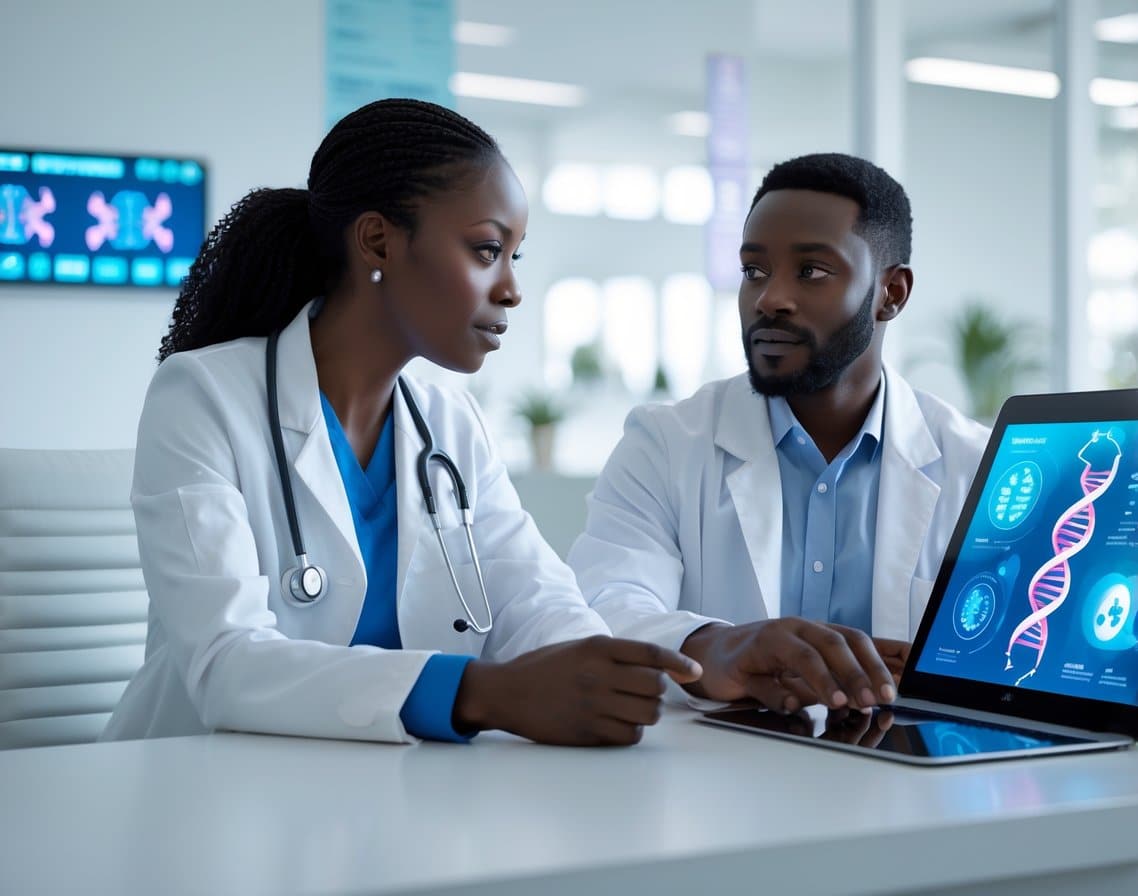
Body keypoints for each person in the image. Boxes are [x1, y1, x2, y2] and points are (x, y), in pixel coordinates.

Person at [101, 99, 700, 748]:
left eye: (514, 257)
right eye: (487, 250)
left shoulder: (450, 424)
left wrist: (599, 672)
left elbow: (535, 598)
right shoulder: (202, 396)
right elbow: (226, 664)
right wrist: (483, 693)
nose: (510, 289)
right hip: (203, 779)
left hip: (391, 786)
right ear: (378, 241)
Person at [568, 153, 989, 714]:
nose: (769, 299)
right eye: (754, 272)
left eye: (811, 271)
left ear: (892, 292)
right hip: (719, 767)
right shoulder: (664, 443)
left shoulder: (978, 467)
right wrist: (719, 648)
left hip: (905, 765)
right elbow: (602, 608)